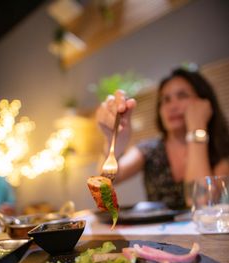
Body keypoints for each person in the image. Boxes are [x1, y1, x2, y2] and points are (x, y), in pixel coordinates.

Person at [96, 67, 229, 209]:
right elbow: (105, 181)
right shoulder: (150, 149)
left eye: (182, 95)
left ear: (204, 103)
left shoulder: (222, 148)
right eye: (165, 100)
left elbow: (201, 203)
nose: (172, 106)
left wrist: (197, 129)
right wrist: (113, 142)